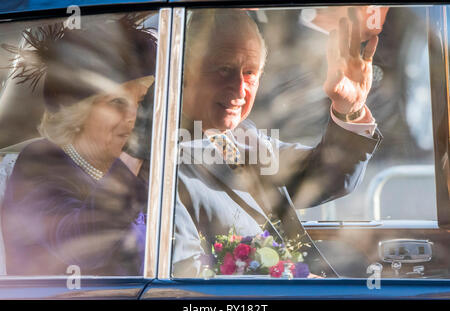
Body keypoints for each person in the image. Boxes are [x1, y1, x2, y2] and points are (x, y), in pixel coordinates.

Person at [172, 8, 383, 278]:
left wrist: (349, 109)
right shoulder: (162, 158)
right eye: (223, 69)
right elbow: (185, 275)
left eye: (249, 73)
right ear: (187, 71)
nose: (239, 90)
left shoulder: (242, 136)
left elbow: (328, 176)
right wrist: (295, 281)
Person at [0, 15, 157, 275]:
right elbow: (87, 247)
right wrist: (133, 153)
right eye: (117, 103)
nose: (134, 117)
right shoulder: (41, 163)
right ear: (78, 112)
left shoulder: (143, 169)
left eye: (140, 102)